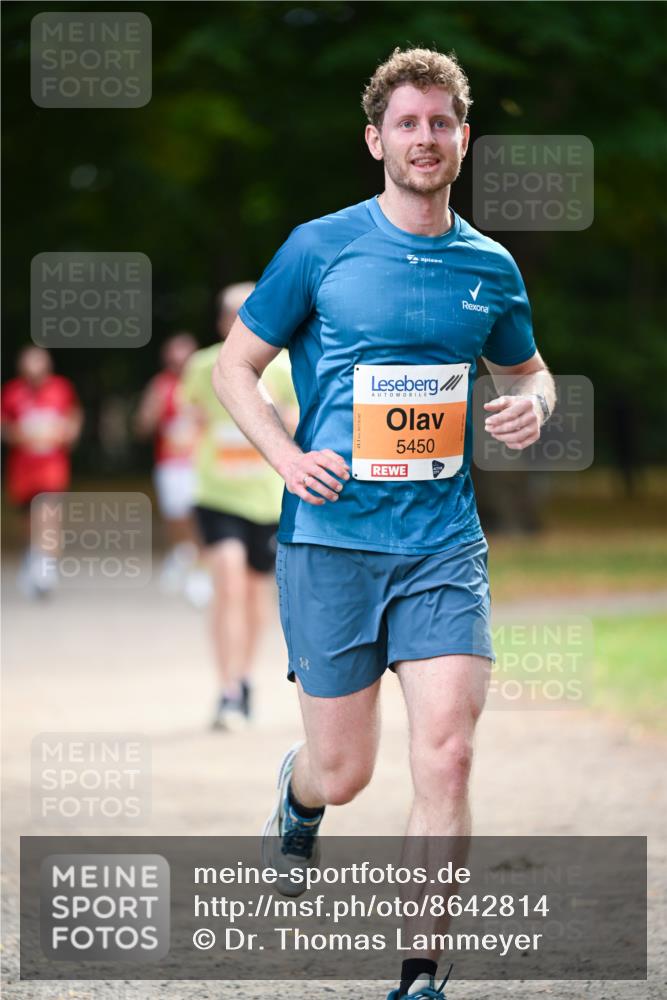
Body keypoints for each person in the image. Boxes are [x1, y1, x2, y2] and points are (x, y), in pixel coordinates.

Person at [213, 48, 556, 1000]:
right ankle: (298, 794)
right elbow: (232, 368)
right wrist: (284, 457)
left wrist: (536, 403)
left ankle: (420, 973)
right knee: (347, 769)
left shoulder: (489, 266)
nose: (425, 138)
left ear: (463, 139)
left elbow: (527, 371)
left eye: (441, 122)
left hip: (443, 545)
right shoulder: (320, 248)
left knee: (445, 750)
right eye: (407, 123)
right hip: (330, 544)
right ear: (376, 140)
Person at [182, 283, 297, 730]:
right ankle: (227, 687)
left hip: (267, 496)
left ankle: (245, 677)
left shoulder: (284, 367)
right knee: (227, 581)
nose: (239, 321)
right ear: (220, 321)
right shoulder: (203, 365)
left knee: (253, 594)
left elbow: (300, 419)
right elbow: (190, 414)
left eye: (247, 312)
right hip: (217, 493)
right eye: (231, 313)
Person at [1, 345, 82, 597]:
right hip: (23, 469)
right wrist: (17, 434)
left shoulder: (61, 388)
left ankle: (45, 567)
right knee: (29, 521)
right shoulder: (12, 392)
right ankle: (34, 556)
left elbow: (73, 416)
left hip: (52, 467)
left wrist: (70, 432)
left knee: (49, 515)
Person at [135, 332, 202, 597]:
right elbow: (142, 427)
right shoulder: (159, 385)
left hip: (198, 461)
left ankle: (199, 569)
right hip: (169, 462)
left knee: (198, 515)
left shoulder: (205, 381)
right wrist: (151, 413)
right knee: (175, 516)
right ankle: (181, 554)